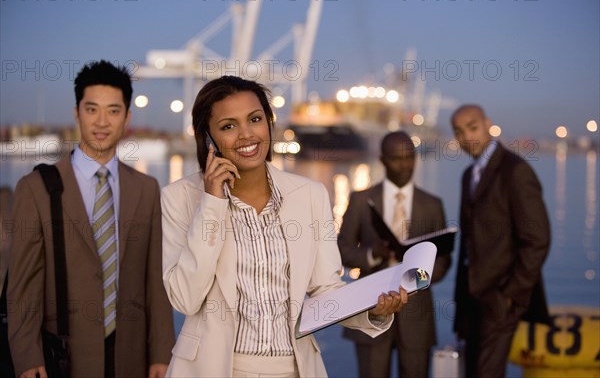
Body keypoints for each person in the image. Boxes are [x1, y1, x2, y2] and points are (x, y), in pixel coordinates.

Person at [161, 75, 409, 377]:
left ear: (269, 122)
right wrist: (211, 204)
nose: (246, 134)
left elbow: (325, 291)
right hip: (211, 369)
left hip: (294, 369)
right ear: (208, 138)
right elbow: (185, 298)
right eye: (228, 126)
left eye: (255, 119)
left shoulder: (310, 195)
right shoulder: (179, 198)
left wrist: (372, 308)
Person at [8, 60, 175, 378]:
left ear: (127, 117)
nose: (102, 121)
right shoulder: (36, 189)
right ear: (76, 113)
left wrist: (161, 354)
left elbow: (155, 281)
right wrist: (28, 359)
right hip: (63, 360)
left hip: (132, 358)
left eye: (113, 111)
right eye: (91, 109)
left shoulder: (146, 189)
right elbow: (23, 287)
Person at [338, 131, 452, 378]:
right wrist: (371, 254)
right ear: (382, 160)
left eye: (410, 157)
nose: (405, 164)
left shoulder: (432, 204)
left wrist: (417, 278)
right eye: (397, 158)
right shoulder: (360, 200)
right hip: (371, 310)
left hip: (417, 316)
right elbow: (342, 250)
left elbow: (443, 260)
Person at [450, 105, 551, 378]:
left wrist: (511, 295)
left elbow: (538, 238)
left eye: (473, 127)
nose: (466, 137)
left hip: (500, 299)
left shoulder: (515, 171)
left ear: (488, 124)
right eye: (459, 132)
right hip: (471, 300)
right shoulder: (468, 176)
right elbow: (469, 244)